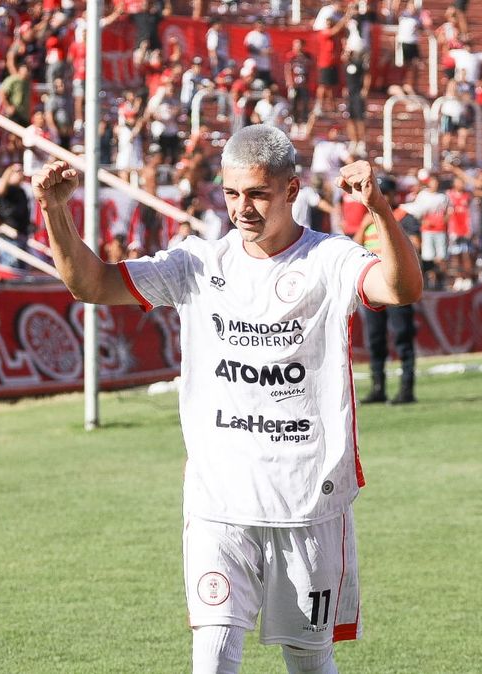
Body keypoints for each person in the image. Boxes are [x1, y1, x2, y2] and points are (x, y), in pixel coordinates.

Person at [31, 124, 423, 674]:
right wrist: (54, 211)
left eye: (258, 194)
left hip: (306, 503)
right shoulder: (196, 265)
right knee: (212, 657)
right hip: (219, 504)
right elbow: (90, 284)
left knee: (309, 661)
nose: (243, 208)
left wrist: (380, 211)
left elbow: (402, 289)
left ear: (292, 190)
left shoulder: (329, 258)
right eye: (233, 193)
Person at [355, 176, 418, 404]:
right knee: (375, 338)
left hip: (398, 286)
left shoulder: (404, 218)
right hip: (374, 287)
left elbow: (414, 247)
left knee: (402, 335)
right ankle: (378, 388)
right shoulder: (367, 219)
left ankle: (406, 389)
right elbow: (354, 248)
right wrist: (363, 226)